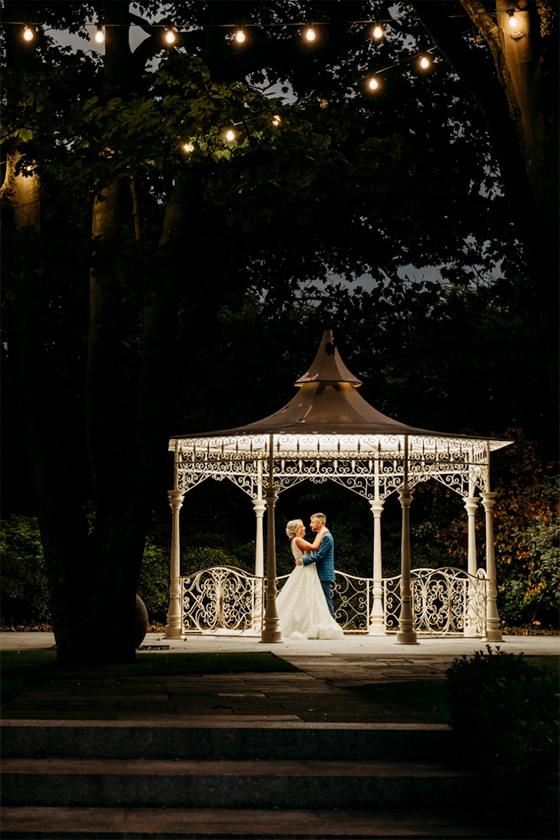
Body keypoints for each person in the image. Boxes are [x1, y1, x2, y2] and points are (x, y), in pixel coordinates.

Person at [276, 516, 343, 640]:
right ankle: (313, 625)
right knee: (305, 598)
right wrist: (321, 532)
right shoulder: (297, 540)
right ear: (296, 530)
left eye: (310, 523)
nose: (306, 527)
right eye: (302, 526)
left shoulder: (298, 539)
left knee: (307, 598)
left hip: (309, 571)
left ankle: (319, 622)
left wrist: (322, 532)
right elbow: (315, 547)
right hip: (306, 572)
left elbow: (316, 551)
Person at [295, 513, 336, 618]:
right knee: (320, 601)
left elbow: (320, 555)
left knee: (326, 600)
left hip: (323, 573)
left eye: (313, 522)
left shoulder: (326, 537)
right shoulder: (321, 535)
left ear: (320, 523)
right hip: (318, 572)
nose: (310, 525)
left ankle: (331, 625)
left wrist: (303, 561)